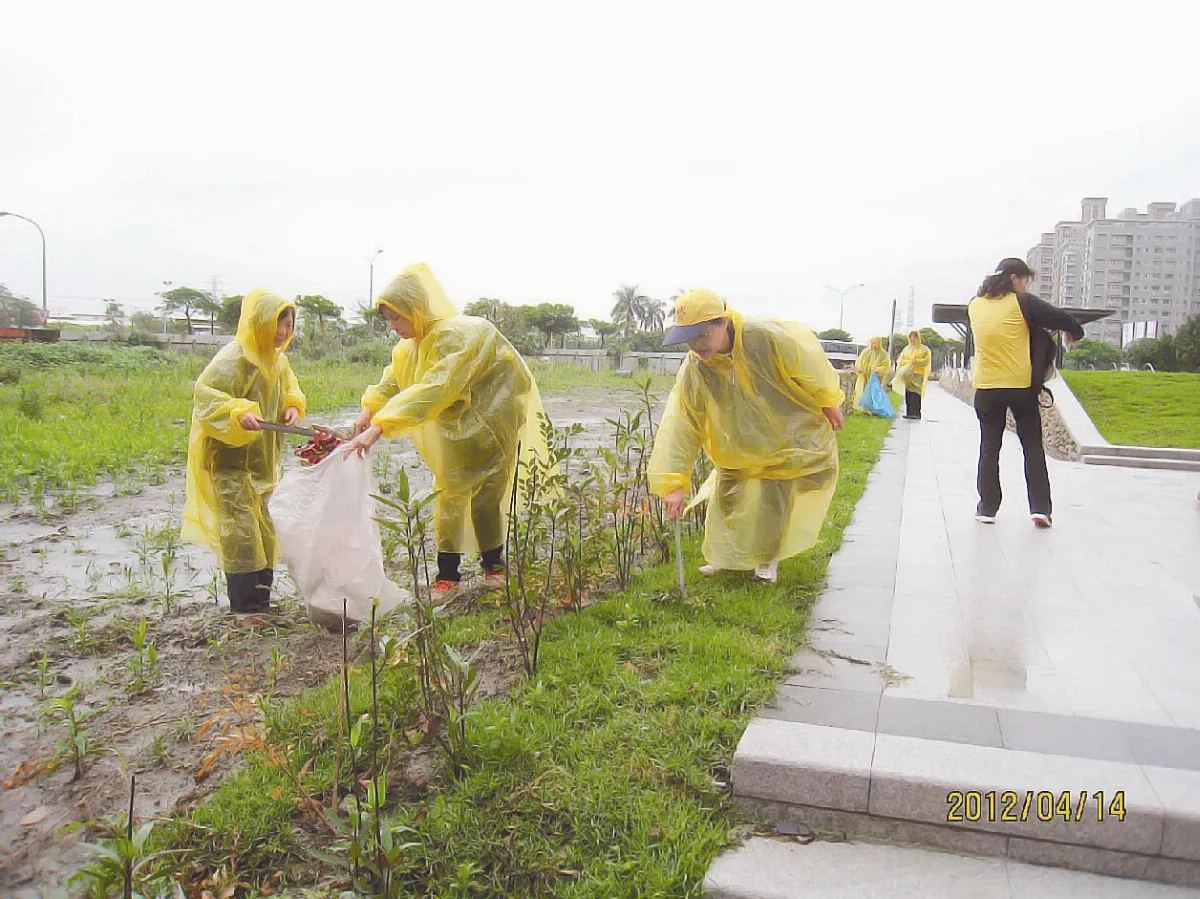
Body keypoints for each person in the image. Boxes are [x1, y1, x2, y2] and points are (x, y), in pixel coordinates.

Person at [341, 263, 549, 603]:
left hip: (495, 418)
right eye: (388, 320)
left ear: (416, 308)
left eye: (397, 317)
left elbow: (437, 386)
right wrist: (369, 410)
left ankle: (493, 565)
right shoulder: (409, 347)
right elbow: (393, 380)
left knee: (488, 493)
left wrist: (381, 426)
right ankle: (448, 574)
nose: (393, 327)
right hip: (456, 425)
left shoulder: (454, 336)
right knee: (450, 492)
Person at [648, 289, 844, 584]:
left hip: (784, 431)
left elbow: (809, 364)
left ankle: (767, 558)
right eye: (690, 338)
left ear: (723, 322)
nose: (697, 345)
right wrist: (674, 481)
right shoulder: (696, 367)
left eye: (703, 335)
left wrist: (827, 400)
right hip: (736, 441)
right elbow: (683, 422)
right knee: (727, 494)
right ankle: (725, 556)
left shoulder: (764, 338)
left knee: (773, 496)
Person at [182, 289, 305, 617]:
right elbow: (205, 398)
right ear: (258, 323)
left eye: (288, 326)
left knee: (265, 532)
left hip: (264, 463)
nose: (282, 333)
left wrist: (292, 407)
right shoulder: (233, 358)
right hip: (230, 463)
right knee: (242, 534)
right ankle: (245, 610)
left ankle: (262, 603)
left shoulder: (278, 361)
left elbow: (291, 388)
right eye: (276, 326)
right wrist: (237, 413)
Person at [968, 257, 1083, 528]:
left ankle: (987, 508)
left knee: (989, 447)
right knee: (1032, 446)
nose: (1025, 286)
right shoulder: (1022, 302)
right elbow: (1062, 318)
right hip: (1019, 387)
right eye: (1025, 281)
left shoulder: (974, 305)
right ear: (1015, 279)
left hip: (986, 387)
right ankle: (1040, 509)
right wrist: (1074, 333)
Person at [892, 331, 932, 419]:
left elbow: (927, 360)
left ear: (918, 338)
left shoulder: (924, 349)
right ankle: (909, 412)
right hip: (908, 375)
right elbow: (901, 360)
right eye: (911, 337)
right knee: (908, 393)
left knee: (916, 393)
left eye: (915, 337)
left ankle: (916, 413)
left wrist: (918, 361)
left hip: (918, 373)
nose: (913, 339)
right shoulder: (906, 349)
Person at [852, 337, 892, 410]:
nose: (873, 345)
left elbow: (886, 365)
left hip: (876, 378)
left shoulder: (883, 354)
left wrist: (879, 369)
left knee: (874, 393)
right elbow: (859, 361)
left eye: (875, 343)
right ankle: (865, 408)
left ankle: (874, 409)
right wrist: (859, 367)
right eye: (872, 343)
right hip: (865, 376)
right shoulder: (866, 352)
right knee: (864, 391)